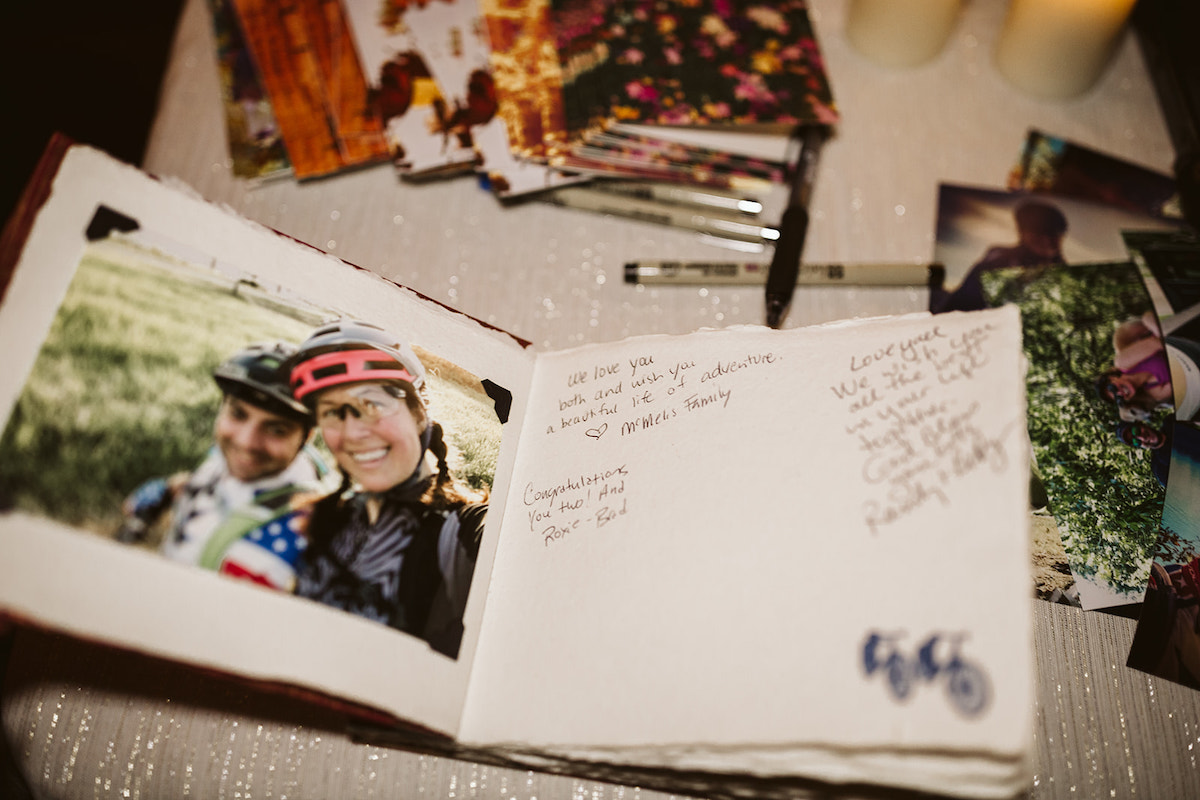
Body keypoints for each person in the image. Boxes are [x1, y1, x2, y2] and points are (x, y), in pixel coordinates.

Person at [286, 320, 486, 658]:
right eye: (333, 413)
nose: (353, 433)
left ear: (419, 415)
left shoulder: (465, 532)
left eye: (372, 405)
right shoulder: (323, 517)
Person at [119, 342, 332, 590]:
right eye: (238, 414)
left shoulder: (308, 532)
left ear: (306, 438)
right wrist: (170, 489)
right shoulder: (221, 458)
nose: (245, 442)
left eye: (277, 429)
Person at [932, 199, 1068, 313]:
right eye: (1038, 232)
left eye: (1053, 233)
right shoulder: (997, 263)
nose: (1045, 240)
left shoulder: (1067, 276)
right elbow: (960, 304)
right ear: (1022, 232)